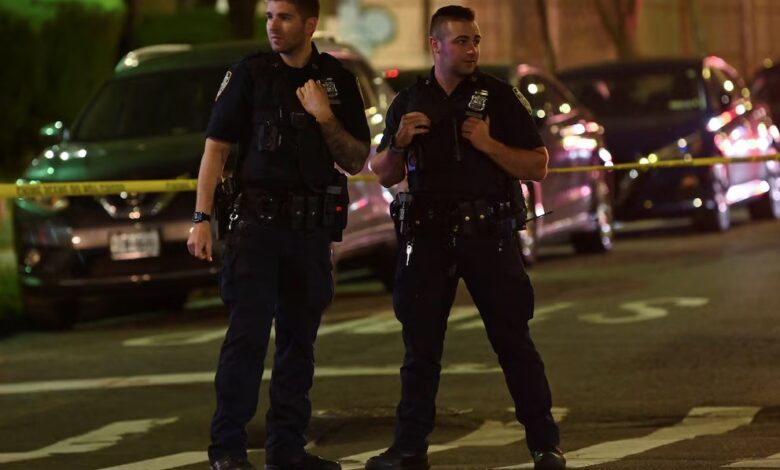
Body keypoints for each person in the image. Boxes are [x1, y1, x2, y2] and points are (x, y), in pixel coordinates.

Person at [366, 5, 565, 470]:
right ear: (435, 45)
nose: (472, 48)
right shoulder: (410, 100)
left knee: (513, 341)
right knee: (420, 349)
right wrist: (397, 142)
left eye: (475, 40)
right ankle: (409, 448)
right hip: (429, 235)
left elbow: (538, 165)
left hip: (486, 233)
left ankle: (544, 444)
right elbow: (382, 173)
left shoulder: (499, 97)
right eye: (461, 41)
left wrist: (489, 145)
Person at [186, 0, 371, 468]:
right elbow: (216, 150)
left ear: (310, 24)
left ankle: (286, 450)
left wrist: (325, 116)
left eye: (284, 17)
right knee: (246, 341)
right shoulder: (250, 75)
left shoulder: (336, 80)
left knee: (298, 344)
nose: (273, 25)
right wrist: (201, 217)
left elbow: (354, 160)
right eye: (269, 16)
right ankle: (227, 451)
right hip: (257, 228)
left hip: (308, 233)